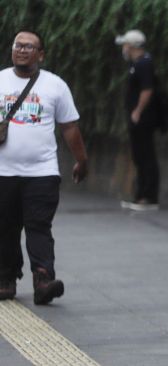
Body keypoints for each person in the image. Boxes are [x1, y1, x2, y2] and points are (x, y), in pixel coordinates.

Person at [0, 30, 88, 304]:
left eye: (29, 46)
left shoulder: (55, 85)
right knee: (5, 227)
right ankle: (5, 278)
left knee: (38, 225)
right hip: (3, 172)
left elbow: (70, 127)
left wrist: (82, 160)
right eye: (18, 45)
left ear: (41, 54)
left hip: (42, 172)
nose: (22, 50)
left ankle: (43, 278)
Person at [116, 29, 160, 211]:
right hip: (138, 117)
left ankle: (148, 197)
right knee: (139, 155)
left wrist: (138, 111)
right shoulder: (137, 64)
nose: (124, 48)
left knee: (145, 154)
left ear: (132, 46)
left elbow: (147, 89)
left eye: (125, 45)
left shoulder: (144, 64)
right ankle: (140, 194)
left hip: (143, 117)